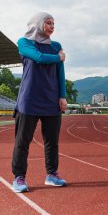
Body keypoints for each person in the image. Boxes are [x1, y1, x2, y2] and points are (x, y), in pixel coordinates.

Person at [11, 12, 68, 193]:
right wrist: (59, 57)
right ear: (38, 24)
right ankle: (19, 177)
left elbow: (60, 72)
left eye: (53, 23)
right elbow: (39, 58)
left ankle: (52, 175)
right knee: (23, 141)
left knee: (52, 141)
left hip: (51, 100)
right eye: (48, 23)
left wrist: (62, 96)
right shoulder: (24, 43)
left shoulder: (56, 45)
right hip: (29, 100)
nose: (52, 26)